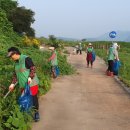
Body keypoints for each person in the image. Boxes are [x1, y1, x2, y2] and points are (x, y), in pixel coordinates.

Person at [7, 47, 40, 122]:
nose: (11, 58)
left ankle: (36, 113)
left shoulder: (26, 58)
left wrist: (30, 77)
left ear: (15, 54)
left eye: (11, 56)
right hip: (23, 85)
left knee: (34, 98)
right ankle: (26, 114)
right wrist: (12, 84)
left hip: (32, 84)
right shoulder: (16, 63)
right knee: (25, 99)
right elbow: (15, 75)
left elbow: (33, 68)